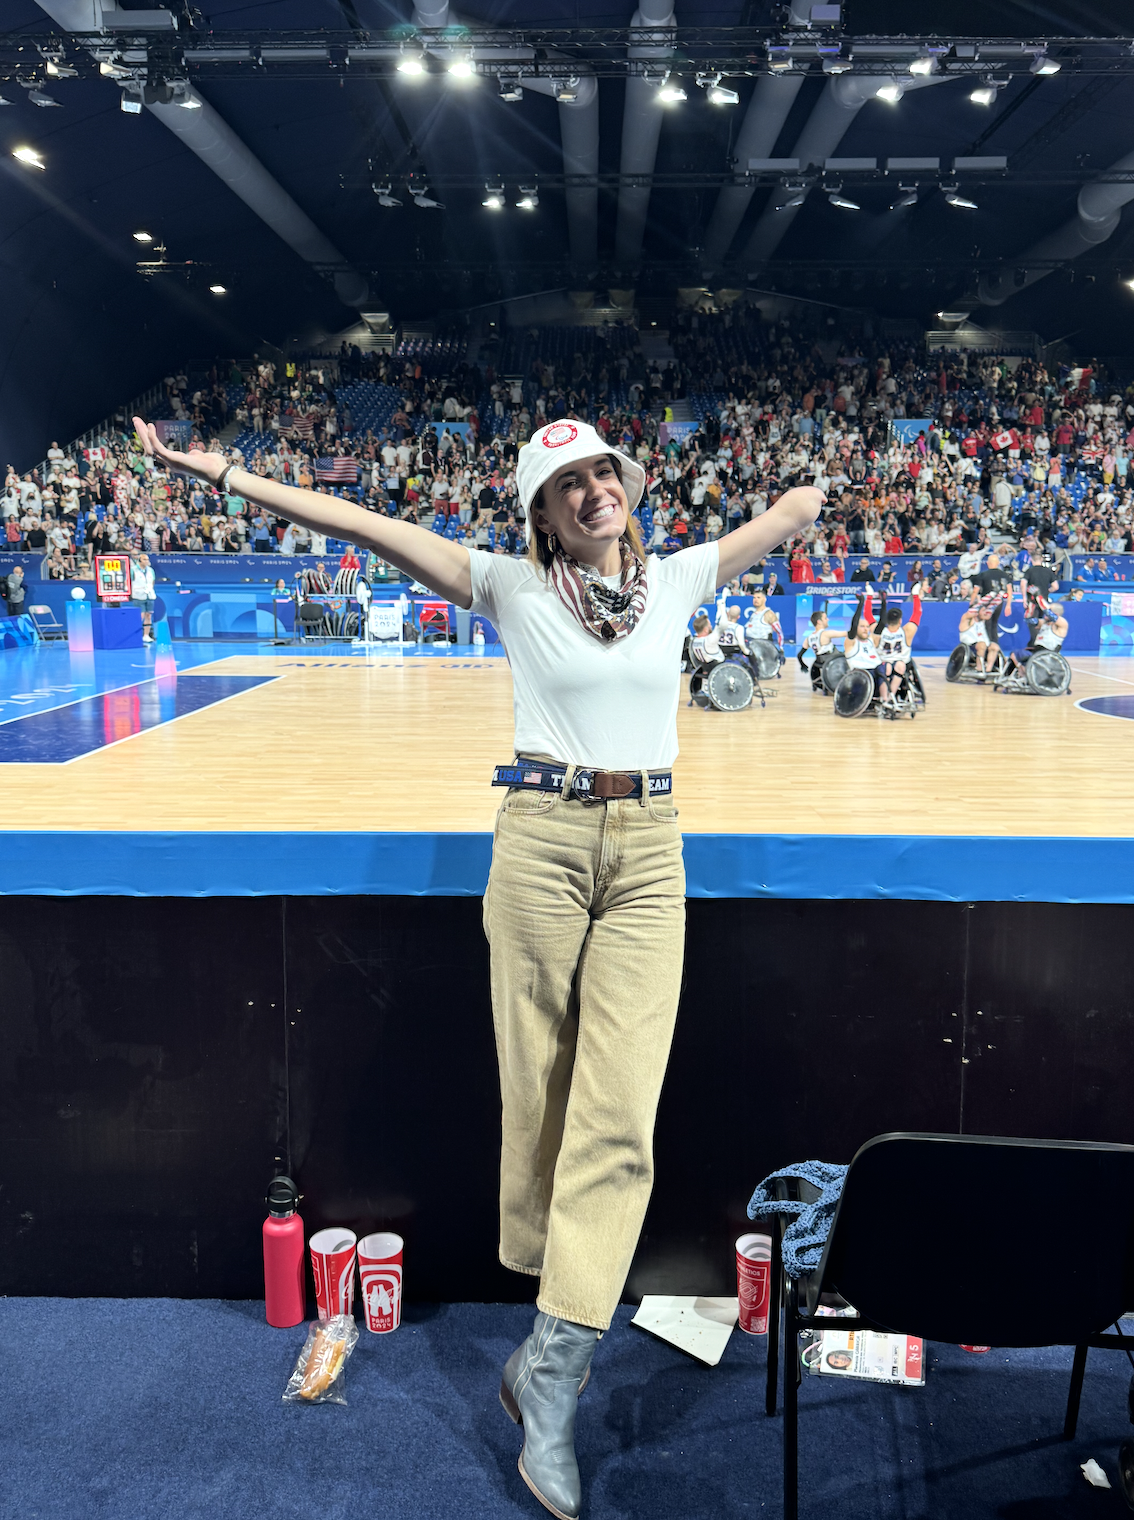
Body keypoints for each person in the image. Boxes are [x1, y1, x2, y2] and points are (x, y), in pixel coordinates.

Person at [132, 412, 823, 1520]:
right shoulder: (507, 584)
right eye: (570, 482)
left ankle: (550, 1372)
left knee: (618, 1112)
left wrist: (809, 493)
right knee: (541, 1100)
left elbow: (786, 516)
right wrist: (225, 474)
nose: (595, 489)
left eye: (605, 471)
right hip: (540, 840)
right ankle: (555, 1308)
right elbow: (357, 520)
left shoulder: (684, 574)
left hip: (651, 849)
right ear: (543, 512)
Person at [875, 587, 922, 713]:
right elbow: (917, 613)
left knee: (888, 668)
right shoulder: (906, 631)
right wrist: (916, 595)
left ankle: (885, 698)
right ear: (900, 621)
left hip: (884, 663)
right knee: (900, 667)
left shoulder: (879, 632)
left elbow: (870, 617)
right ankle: (891, 696)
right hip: (899, 663)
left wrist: (871, 598)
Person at [1007, 601, 1069, 678]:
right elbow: (1030, 621)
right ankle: (1009, 676)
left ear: (1056, 614)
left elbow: (1049, 614)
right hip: (1037, 651)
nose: (1045, 612)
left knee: (1017, 655)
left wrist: (1038, 598)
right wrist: (1029, 610)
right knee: (1014, 654)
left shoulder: (1062, 623)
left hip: (1047, 653)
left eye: (1049, 610)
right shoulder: (1044, 622)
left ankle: (1024, 673)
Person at [131, 551, 157, 641]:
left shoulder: (150, 570)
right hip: (138, 596)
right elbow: (129, 582)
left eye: (147, 559)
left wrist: (149, 589)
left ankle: (146, 635)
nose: (147, 561)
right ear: (140, 560)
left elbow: (152, 581)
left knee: (148, 615)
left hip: (149, 595)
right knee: (140, 616)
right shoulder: (133, 570)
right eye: (144, 559)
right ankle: (136, 635)